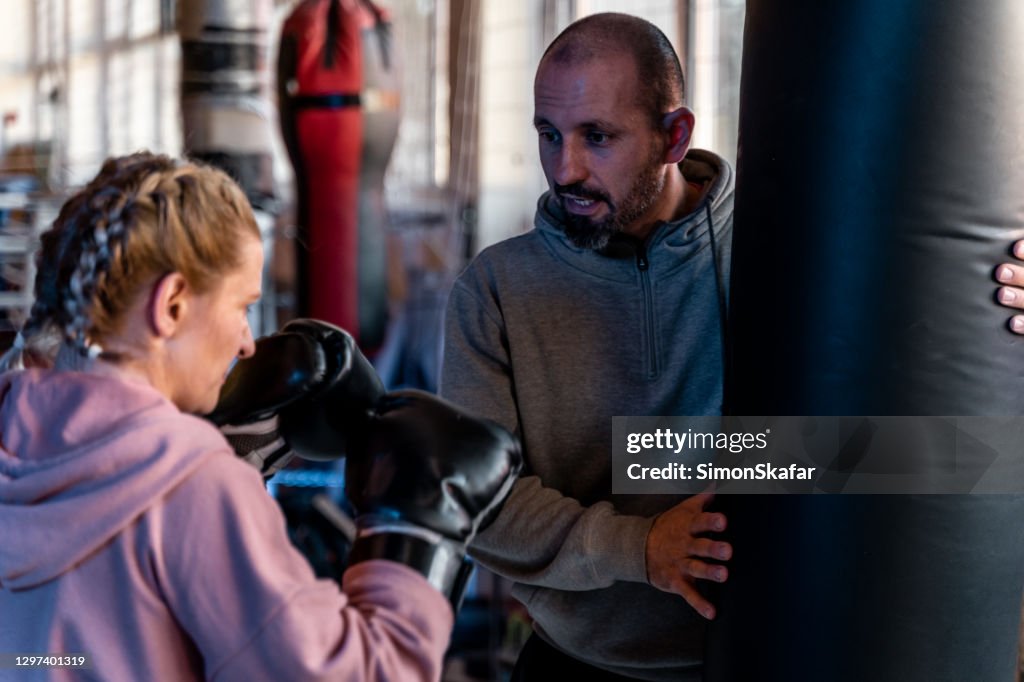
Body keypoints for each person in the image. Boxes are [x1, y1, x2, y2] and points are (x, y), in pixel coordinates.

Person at [0, 151, 520, 681]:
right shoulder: (191, 488)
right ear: (173, 304)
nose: (248, 343)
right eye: (241, 306)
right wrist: (414, 535)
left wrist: (224, 450)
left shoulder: (14, 430)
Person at [441, 13, 733, 682]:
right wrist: (638, 547)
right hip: (578, 664)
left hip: (761, 654)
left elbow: (896, 429)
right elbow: (478, 500)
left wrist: (996, 295)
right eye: (549, 135)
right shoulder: (496, 288)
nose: (564, 169)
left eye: (597, 137)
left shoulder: (783, 251)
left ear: (674, 136)